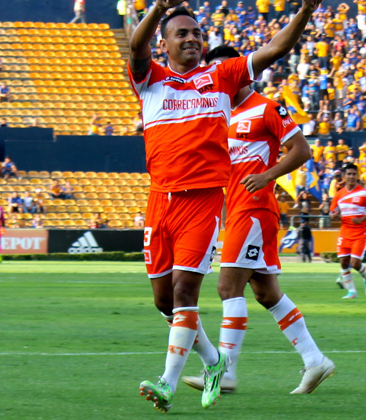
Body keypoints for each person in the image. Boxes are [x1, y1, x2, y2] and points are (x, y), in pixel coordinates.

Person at [130, 0, 320, 412]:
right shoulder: (150, 79)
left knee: (185, 290)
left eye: (197, 33)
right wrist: (157, 8)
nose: (192, 38)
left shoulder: (221, 76)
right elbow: (135, 47)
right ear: (164, 43)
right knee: (164, 302)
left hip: (204, 201)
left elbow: (275, 49)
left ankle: (167, 383)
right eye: (182, 33)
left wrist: (305, 11)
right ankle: (215, 362)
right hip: (159, 200)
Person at [182, 45, 333, 397]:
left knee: (227, 288)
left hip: (255, 208)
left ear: (242, 71)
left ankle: (225, 373)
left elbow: (302, 149)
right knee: (266, 293)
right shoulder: (220, 115)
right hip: (235, 210)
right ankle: (315, 360)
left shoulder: (267, 108)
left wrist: (267, 176)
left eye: (227, 70)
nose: (221, 78)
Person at [330, 163, 366, 299]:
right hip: (345, 232)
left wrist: (361, 219)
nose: (351, 177)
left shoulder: (364, 193)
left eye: (354, 174)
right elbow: (332, 212)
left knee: (355, 262)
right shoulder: (339, 194)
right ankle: (352, 292)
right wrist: (333, 216)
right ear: (344, 176)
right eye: (349, 174)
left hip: (360, 232)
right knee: (343, 262)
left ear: (357, 176)